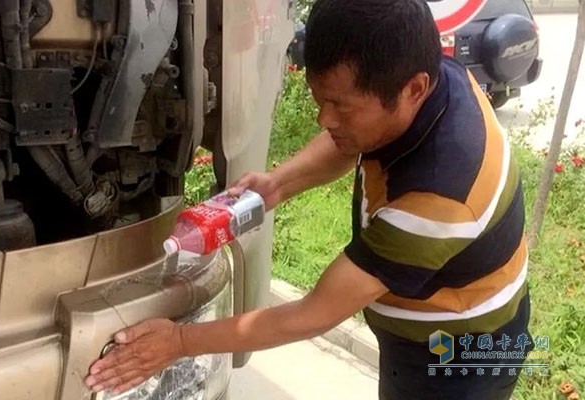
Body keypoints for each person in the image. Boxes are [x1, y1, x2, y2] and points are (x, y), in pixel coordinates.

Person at [85, 0, 533, 398]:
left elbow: (313, 315)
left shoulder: (440, 198)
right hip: (421, 326)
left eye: (342, 106)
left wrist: (179, 343)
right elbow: (349, 141)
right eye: (319, 100)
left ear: (413, 89)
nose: (323, 118)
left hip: (457, 359)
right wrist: (276, 185)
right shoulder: (429, 74)